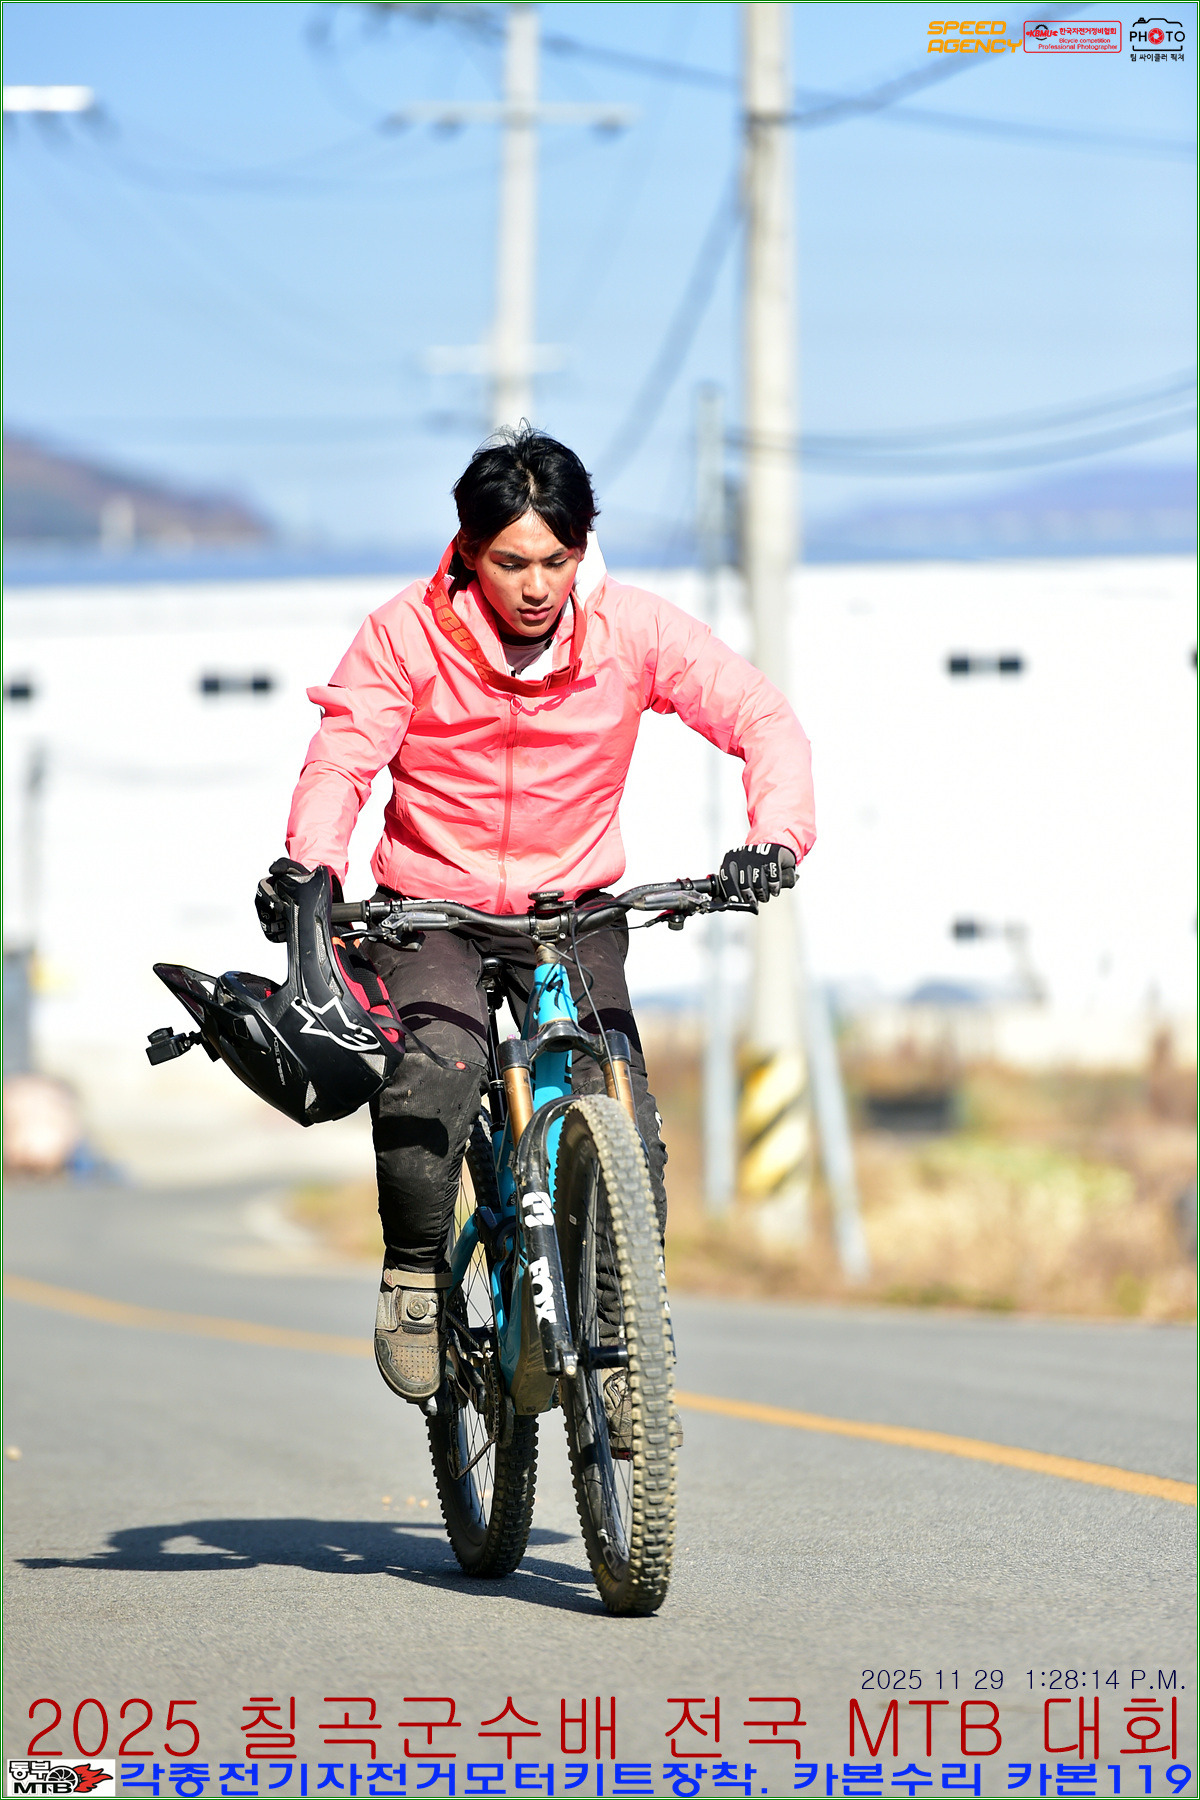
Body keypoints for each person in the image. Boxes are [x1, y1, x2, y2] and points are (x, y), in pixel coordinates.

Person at [278, 427, 815, 1410]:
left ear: (584, 545)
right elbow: (343, 759)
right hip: (431, 908)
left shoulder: (632, 631)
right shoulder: (404, 635)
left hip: (571, 910)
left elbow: (760, 716)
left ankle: (620, 1341)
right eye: (511, 562)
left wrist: (773, 838)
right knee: (440, 1069)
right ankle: (414, 1275)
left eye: (557, 561)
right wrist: (311, 870)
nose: (536, 587)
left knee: (624, 1112)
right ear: (468, 550)